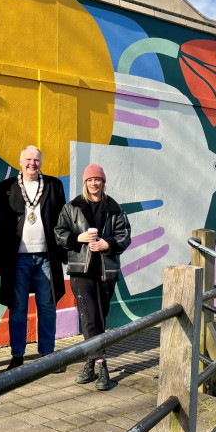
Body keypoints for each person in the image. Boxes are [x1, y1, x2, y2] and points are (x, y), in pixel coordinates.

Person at [54, 163, 131, 390]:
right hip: (81, 271)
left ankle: (90, 362)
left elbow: (125, 236)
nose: (94, 183)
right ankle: (101, 366)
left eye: (98, 180)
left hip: (106, 271)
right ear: (85, 183)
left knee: (100, 318)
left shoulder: (114, 208)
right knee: (88, 317)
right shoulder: (72, 207)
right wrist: (78, 238)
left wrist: (108, 243)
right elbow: (59, 233)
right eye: (90, 180)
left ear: (103, 182)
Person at [0, 145, 67, 370]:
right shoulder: (5, 187)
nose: (32, 163)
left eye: (36, 160)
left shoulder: (54, 185)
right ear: (20, 162)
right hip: (16, 260)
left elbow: (64, 222)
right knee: (18, 308)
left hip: (46, 256)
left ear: (41, 162)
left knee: (47, 306)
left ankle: (47, 355)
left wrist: (64, 254)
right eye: (28, 159)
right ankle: (17, 356)